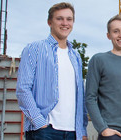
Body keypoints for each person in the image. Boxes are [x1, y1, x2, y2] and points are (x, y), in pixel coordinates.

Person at [16, 2, 88, 140]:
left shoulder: (76, 56)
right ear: (50, 22)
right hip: (45, 131)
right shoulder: (34, 48)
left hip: (73, 132)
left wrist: (82, 129)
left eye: (69, 19)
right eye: (59, 18)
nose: (65, 23)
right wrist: (38, 121)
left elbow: (80, 95)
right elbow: (23, 88)